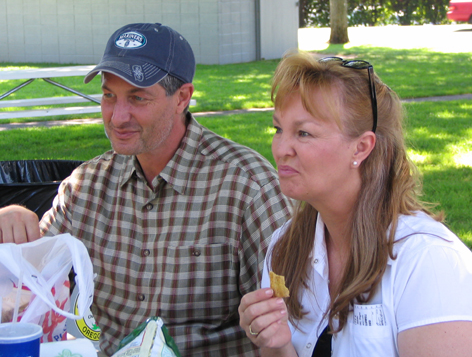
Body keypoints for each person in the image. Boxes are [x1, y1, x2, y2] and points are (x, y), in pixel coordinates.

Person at [0, 23, 292, 356]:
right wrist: (13, 220)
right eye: (109, 95)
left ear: (182, 97)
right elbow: (26, 281)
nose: (117, 117)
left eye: (137, 98)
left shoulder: (247, 187)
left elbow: (293, 316)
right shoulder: (87, 186)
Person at [238, 52, 472, 357]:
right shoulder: (285, 249)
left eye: (303, 133)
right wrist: (275, 345)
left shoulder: (429, 262)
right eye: (278, 129)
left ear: (361, 147)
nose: (280, 149)